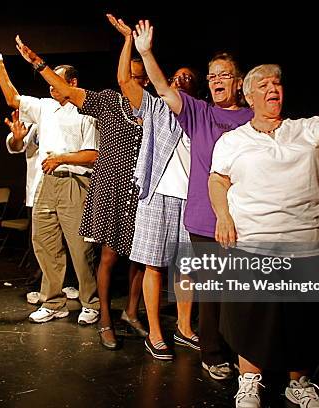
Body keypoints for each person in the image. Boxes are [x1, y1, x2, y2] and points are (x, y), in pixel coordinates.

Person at [209, 63, 319, 408]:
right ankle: (250, 380)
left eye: (276, 83)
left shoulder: (306, 128)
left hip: (306, 240)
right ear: (249, 96)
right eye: (262, 85)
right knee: (252, 316)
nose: (272, 88)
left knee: (302, 318)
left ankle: (299, 383)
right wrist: (223, 216)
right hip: (254, 240)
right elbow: (217, 180)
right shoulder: (232, 141)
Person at [12, 14, 149, 350]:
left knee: (141, 259)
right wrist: (39, 63)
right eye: (128, 78)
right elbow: (64, 90)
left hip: (143, 190)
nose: (132, 82)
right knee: (107, 257)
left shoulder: (156, 109)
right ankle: (103, 317)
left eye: (139, 79)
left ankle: (131, 312)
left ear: (146, 82)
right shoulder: (106, 102)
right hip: (108, 186)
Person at [133, 21, 252, 370]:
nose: (216, 81)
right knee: (213, 296)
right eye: (212, 75)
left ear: (239, 82)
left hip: (247, 218)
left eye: (224, 75)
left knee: (243, 295)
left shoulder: (252, 118)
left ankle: (248, 360)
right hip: (205, 219)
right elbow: (161, 89)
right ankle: (213, 356)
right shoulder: (200, 114)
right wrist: (145, 52)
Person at [0, 49, 100, 324]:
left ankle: (90, 302)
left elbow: (93, 155)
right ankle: (54, 302)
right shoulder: (45, 107)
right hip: (47, 183)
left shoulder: (86, 112)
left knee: (79, 248)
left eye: (57, 80)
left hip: (74, 182)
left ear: (73, 83)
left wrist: (62, 158)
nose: (50, 85)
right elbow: (12, 98)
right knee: (44, 243)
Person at [126, 20, 202, 360]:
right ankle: (155, 332)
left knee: (186, 267)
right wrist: (131, 41)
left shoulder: (201, 115)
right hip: (156, 194)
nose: (183, 79)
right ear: (168, 82)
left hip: (192, 199)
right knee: (154, 265)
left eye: (190, 78)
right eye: (178, 76)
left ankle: (185, 329)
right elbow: (125, 80)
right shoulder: (156, 107)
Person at [4, 111, 79, 303]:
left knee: (70, 239)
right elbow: (15, 146)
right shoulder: (37, 116)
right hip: (39, 190)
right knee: (41, 243)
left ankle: (68, 282)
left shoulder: (77, 117)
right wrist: (17, 138)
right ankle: (36, 284)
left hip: (68, 188)